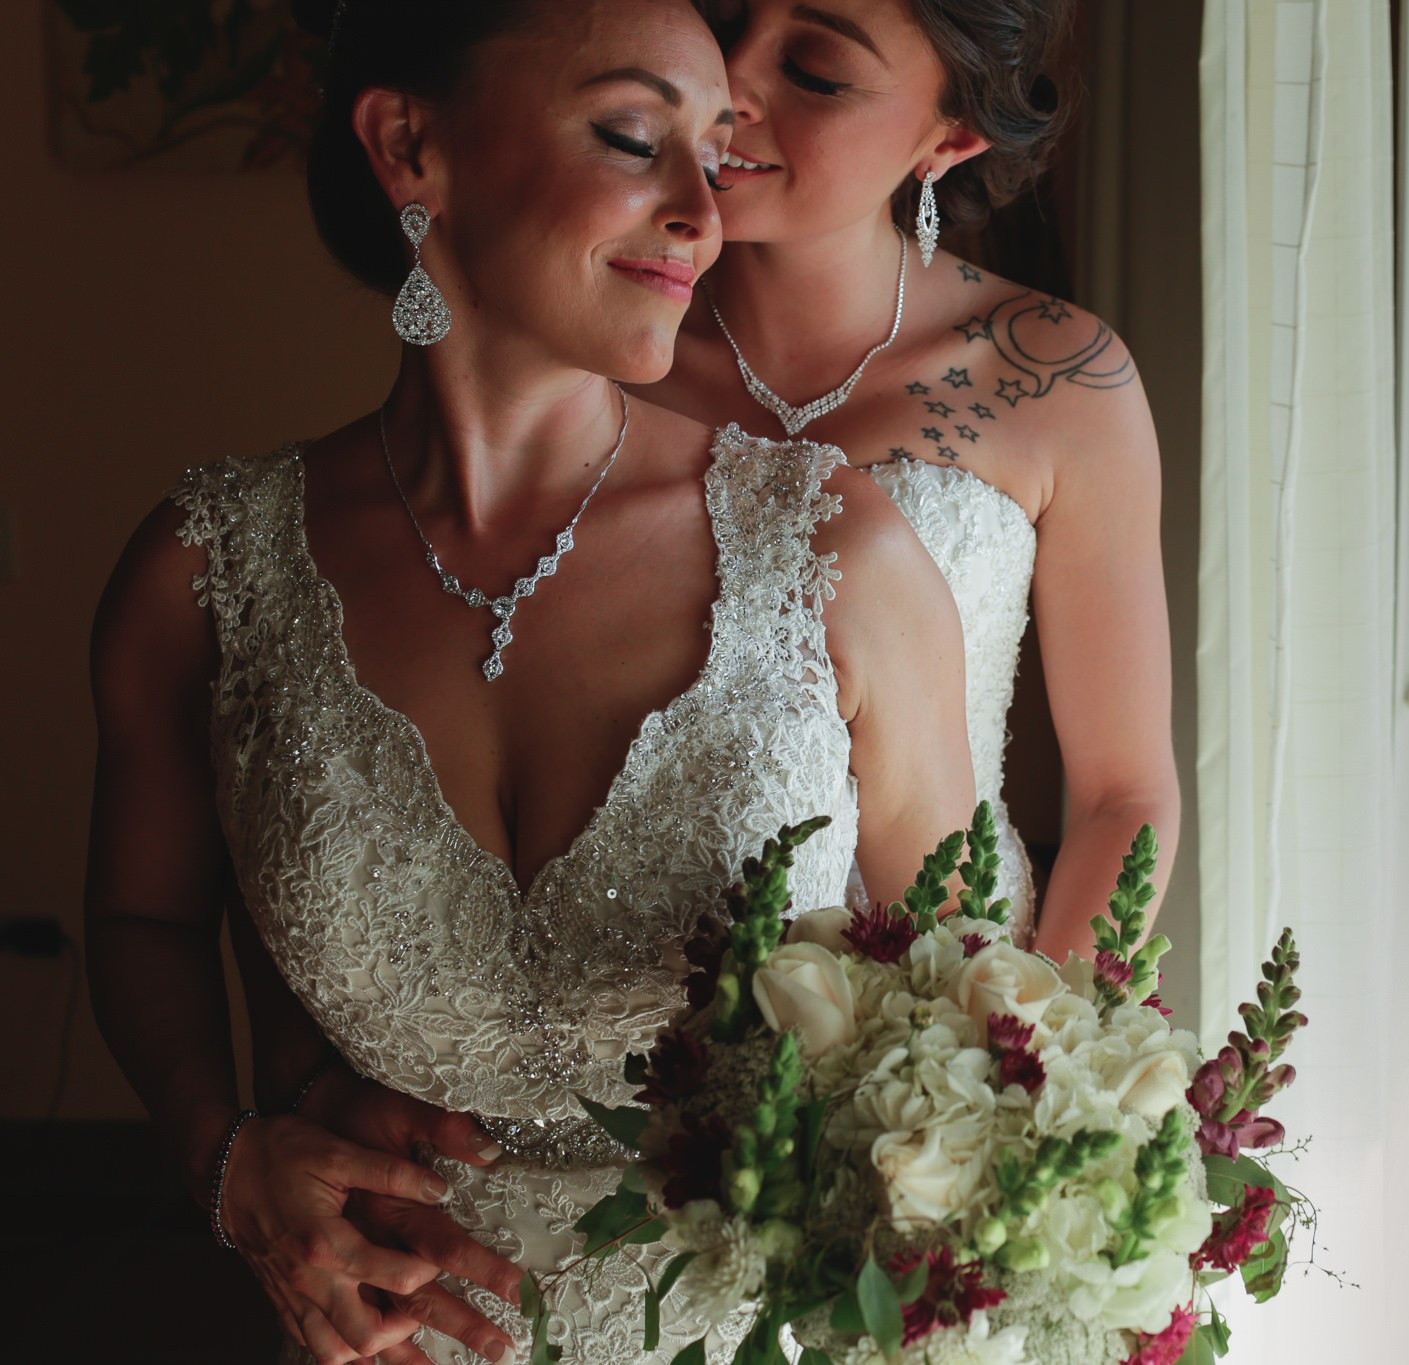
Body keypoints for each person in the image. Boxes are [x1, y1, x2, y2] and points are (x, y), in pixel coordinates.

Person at [82, 1, 975, 1361]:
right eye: (633, 135)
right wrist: (229, 1159)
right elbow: (144, 926)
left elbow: (971, 1014)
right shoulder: (204, 576)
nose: (702, 210)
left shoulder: (832, 551)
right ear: (408, 148)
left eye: (714, 148)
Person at [641, 0, 1180, 963]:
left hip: (954, 1005)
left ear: (950, 135)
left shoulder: (1060, 382)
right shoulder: (602, 356)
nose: (731, 89)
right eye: (722, 23)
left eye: (814, 70)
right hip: (650, 992)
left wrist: (1030, 1061)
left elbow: (1121, 796)